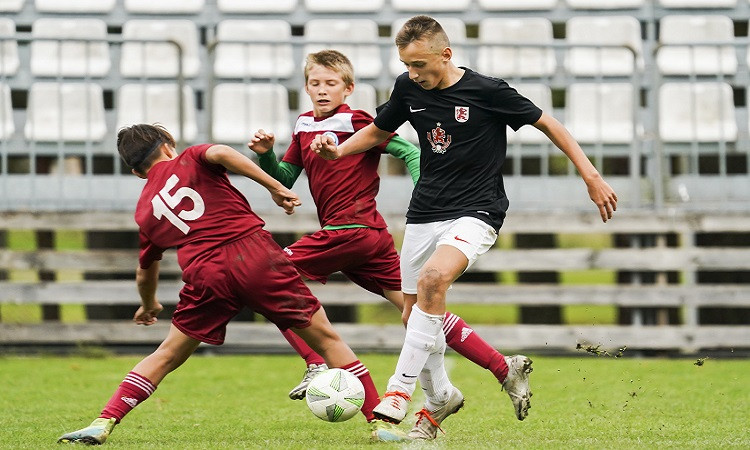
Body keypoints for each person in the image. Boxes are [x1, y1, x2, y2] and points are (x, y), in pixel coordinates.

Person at [311, 16, 619, 440]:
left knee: (433, 280)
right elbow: (379, 131)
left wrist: (590, 175)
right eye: (406, 65)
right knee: (412, 314)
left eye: (419, 65)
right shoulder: (408, 87)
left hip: (477, 210)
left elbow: (550, 124)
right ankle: (441, 397)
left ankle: (399, 392)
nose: (413, 74)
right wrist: (339, 152)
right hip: (424, 212)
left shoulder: (488, 91)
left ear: (446, 54)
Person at [250, 50, 533, 441]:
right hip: (367, 239)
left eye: (331, 83)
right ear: (305, 87)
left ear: (348, 88)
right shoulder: (302, 126)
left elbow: (408, 150)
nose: (321, 90)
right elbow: (286, 174)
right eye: (315, 83)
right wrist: (265, 155)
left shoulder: (357, 120)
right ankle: (502, 368)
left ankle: (316, 362)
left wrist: (426, 192)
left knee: (269, 275)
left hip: (352, 230)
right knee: (418, 313)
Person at [57, 124, 389, 445]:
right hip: (253, 255)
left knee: (168, 353)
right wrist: (274, 186)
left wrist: (149, 303)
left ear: (137, 172)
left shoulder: (145, 210)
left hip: (204, 272)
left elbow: (146, 269)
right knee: (327, 339)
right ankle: (379, 422)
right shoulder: (192, 156)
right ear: (168, 143)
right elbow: (222, 152)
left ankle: (104, 420)